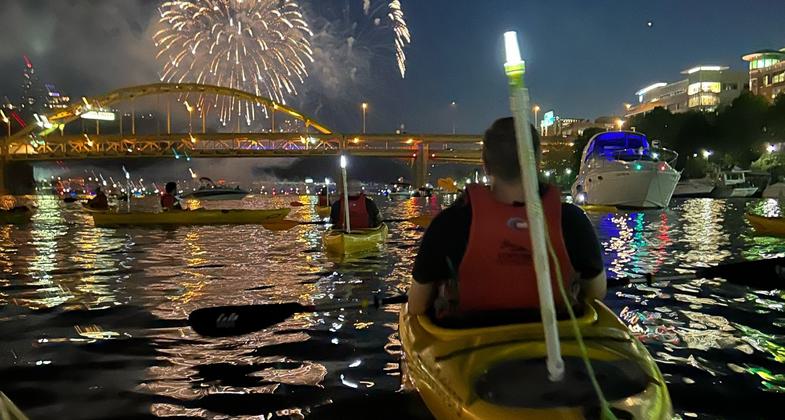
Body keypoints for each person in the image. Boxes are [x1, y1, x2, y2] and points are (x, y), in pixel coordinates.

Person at [407, 117, 606, 326]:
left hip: (469, 345)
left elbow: (417, 305)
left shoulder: (448, 224)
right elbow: (595, 293)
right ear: (537, 162)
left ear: (485, 165)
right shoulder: (572, 221)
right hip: (557, 344)